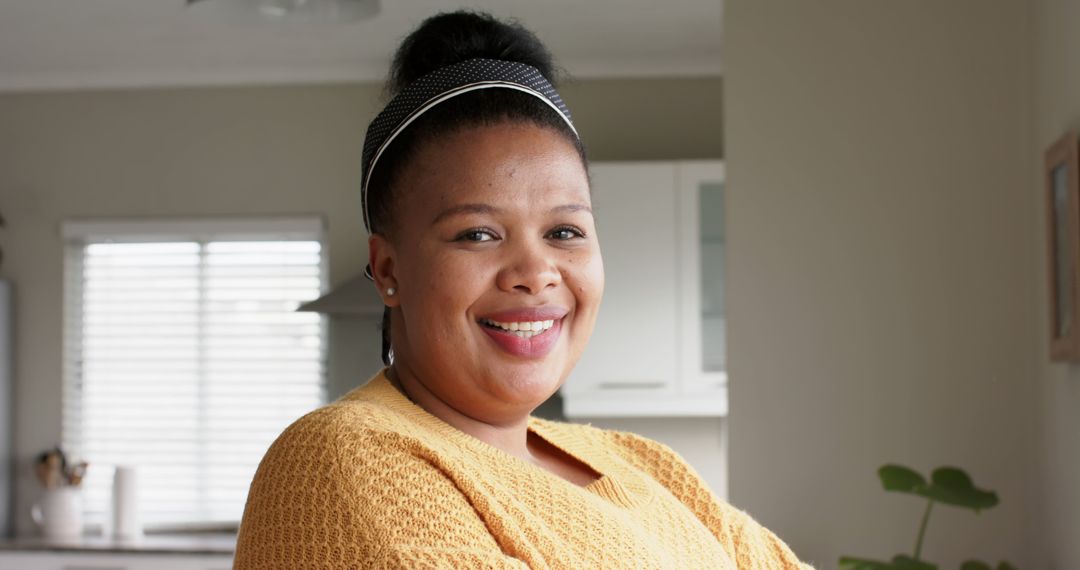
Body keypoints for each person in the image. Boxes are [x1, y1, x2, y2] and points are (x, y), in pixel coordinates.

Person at [233, 10, 811, 569]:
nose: (536, 272)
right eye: (478, 234)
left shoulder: (646, 465)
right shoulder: (344, 459)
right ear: (388, 269)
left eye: (565, 231)